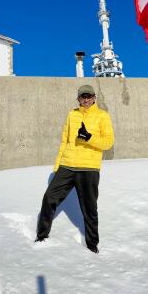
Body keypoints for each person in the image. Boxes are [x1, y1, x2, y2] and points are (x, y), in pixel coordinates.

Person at [35, 84, 114, 253]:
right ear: (78, 98)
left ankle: (92, 245)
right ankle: (41, 236)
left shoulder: (102, 116)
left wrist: (89, 138)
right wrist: (58, 166)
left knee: (89, 208)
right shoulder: (72, 114)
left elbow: (108, 143)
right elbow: (65, 141)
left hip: (89, 168)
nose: (86, 99)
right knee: (49, 198)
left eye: (89, 96)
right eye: (83, 97)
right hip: (67, 165)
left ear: (94, 98)